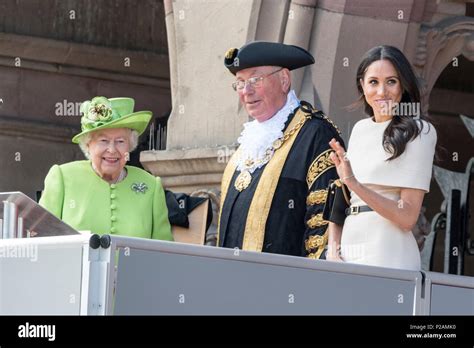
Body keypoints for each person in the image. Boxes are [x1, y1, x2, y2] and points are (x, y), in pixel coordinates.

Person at [217, 41, 344, 258]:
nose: (246, 91)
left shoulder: (315, 134)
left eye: (255, 80)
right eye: (240, 83)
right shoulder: (247, 143)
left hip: (286, 285)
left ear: (284, 80)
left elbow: (322, 224)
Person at [327, 45, 437, 270]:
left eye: (391, 81)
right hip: (346, 250)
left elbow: (407, 218)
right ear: (362, 85)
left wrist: (354, 183)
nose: (381, 92)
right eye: (373, 82)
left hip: (389, 252)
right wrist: (333, 250)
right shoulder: (359, 129)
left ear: (403, 85)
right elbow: (340, 203)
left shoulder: (419, 131)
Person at [39, 96, 173, 240]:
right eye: (103, 141)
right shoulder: (63, 177)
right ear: (88, 145)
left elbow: (164, 250)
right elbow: (41, 239)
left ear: (130, 145)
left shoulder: (151, 185)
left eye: (120, 141)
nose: (112, 150)